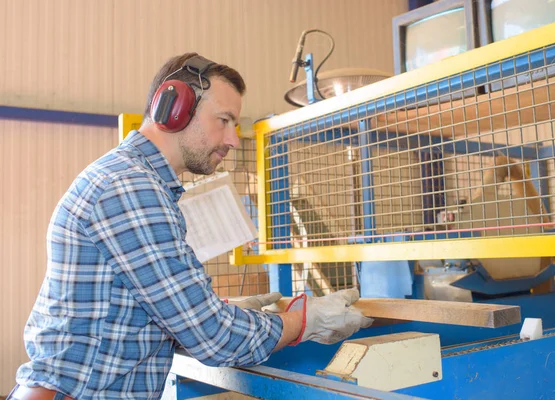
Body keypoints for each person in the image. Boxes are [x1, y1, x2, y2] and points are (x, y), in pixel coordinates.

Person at [10, 53, 372, 400]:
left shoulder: (138, 182)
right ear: (174, 108)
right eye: (224, 120)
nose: (233, 139)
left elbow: (137, 308)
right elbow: (214, 337)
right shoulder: (130, 188)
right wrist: (305, 320)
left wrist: (218, 307)